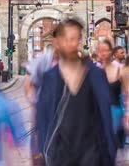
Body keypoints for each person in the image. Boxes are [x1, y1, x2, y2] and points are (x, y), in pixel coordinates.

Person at [36, 19, 116, 165]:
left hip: (92, 156)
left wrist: (110, 153)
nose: (71, 44)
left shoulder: (96, 75)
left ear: (80, 40)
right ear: (57, 42)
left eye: (74, 38)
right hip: (60, 156)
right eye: (66, 39)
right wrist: (41, 152)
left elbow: (106, 117)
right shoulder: (50, 78)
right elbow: (43, 120)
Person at [24, 26, 60, 165]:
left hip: (66, 115)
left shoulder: (74, 62)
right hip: (44, 115)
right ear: (54, 40)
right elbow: (29, 83)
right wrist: (35, 101)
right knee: (41, 152)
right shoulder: (43, 61)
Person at [97, 40, 126, 148]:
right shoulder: (94, 72)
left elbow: (126, 93)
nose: (103, 53)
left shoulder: (120, 70)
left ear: (111, 52)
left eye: (106, 50)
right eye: (100, 51)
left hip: (116, 116)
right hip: (100, 119)